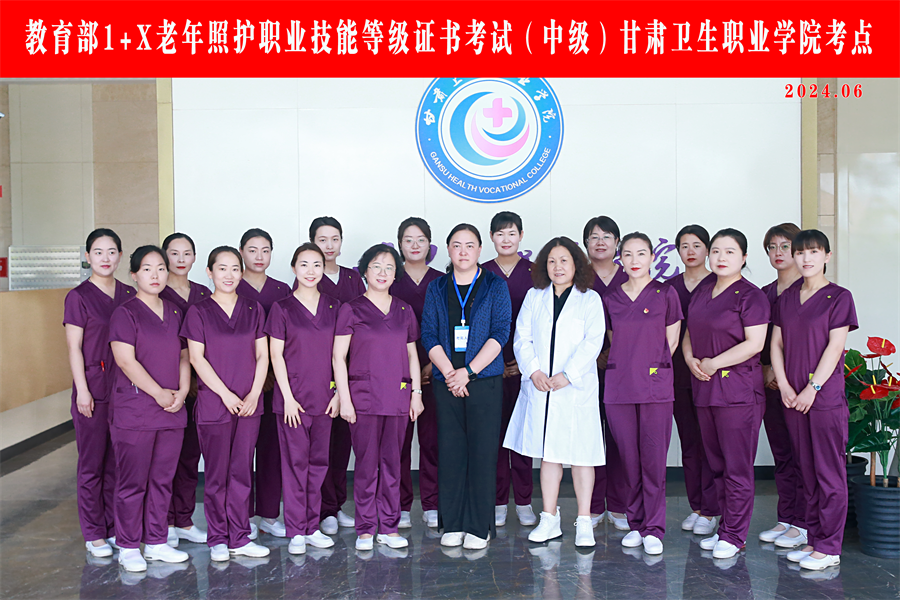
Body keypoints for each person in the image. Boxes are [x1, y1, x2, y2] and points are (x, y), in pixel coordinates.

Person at [504, 236, 605, 548]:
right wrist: (533, 370)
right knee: (549, 454)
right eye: (551, 261)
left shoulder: (589, 299)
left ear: (576, 264)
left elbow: (593, 341)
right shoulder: (535, 297)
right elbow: (522, 337)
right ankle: (549, 518)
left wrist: (568, 375)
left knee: (582, 455)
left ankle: (584, 520)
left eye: (564, 260)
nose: (557, 267)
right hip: (542, 386)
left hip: (575, 388)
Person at [421, 224, 511, 551]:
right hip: (446, 383)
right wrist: (450, 373)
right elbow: (429, 334)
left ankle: (478, 525)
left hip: (484, 381)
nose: (463, 251)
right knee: (451, 451)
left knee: (483, 453)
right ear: (447, 249)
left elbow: (500, 333)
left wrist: (469, 372)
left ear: (479, 250)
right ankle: (454, 522)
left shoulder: (495, 285)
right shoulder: (436, 287)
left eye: (469, 245)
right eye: (456, 245)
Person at [770, 229, 857, 571]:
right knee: (805, 469)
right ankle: (814, 539)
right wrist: (785, 385)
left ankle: (830, 546)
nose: (806, 258)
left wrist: (813, 387)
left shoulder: (839, 297)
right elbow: (776, 344)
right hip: (792, 397)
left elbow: (835, 347)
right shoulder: (787, 297)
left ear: (827, 256)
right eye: (801, 252)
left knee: (828, 473)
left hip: (823, 398)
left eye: (814, 252)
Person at [683, 228, 769, 560]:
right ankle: (724, 528)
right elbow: (689, 331)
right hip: (705, 387)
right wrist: (690, 359)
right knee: (716, 463)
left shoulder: (751, 296)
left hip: (738, 392)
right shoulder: (703, 291)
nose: (721, 257)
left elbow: (755, 344)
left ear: (744, 258)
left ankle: (735, 535)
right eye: (716, 251)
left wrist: (714, 363)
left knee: (737, 467)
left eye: (730, 252)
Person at [181, 246, 271, 561]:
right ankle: (218, 538)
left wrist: (254, 394)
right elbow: (196, 358)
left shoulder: (253, 309)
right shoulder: (199, 312)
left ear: (242, 272)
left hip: (249, 404)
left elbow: (263, 355)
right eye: (222, 268)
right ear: (209, 272)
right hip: (214, 404)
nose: (229, 275)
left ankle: (240, 537)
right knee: (217, 474)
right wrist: (226, 395)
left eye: (235, 268)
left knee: (242, 471)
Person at [332, 244, 423, 551]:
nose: (382, 273)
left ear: (396, 274)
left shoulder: (403, 310)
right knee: (367, 465)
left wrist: (416, 394)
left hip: (397, 396)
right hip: (364, 398)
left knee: (393, 464)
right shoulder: (352, 309)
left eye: (389, 268)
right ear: (364, 271)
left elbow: (412, 354)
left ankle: (389, 527)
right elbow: (338, 357)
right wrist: (344, 398)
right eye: (376, 267)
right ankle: (366, 529)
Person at [108, 245, 191, 572]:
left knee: (162, 480)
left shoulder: (175, 312)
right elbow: (125, 361)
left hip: (171, 410)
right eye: (147, 269)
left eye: (160, 268)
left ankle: (156, 542)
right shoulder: (125, 313)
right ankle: (129, 546)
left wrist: (182, 391)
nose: (155, 275)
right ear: (133, 275)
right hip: (137, 411)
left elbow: (184, 355)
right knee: (133, 482)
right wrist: (158, 393)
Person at [602, 233, 683, 555]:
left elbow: (672, 341)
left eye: (641, 254)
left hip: (654, 387)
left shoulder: (666, 294)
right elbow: (614, 339)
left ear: (652, 257)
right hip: (619, 387)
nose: (634, 260)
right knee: (628, 460)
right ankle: (636, 524)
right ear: (620, 258)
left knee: (653, 459)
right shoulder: (611, 298)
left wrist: (652, 368)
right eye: (628, 254)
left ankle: (654, 528)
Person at [266, 243, 341, 555]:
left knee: (319, 464)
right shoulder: (282, 308)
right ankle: (297, 529)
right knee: (295, 464)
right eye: (304, 264)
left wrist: (338, 393)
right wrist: (287, 397)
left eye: (317, 265)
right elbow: (276, 355)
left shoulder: (335, 307)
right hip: (293, 401)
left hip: (325, 398)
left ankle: (313, 526)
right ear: (294, 268)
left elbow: (340, 356)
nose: (311, 271)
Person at [64, 228, 134, 558]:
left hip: (125, 390)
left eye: (111, 252)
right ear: (88, 257)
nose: (105, 258)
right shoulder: (78, 297)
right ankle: (94, 533)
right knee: (92, 464)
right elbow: (74, 348)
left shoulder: (129, 294)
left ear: (120, 256)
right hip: (92, 388)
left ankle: (114, 528)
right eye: (98, 252)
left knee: (118, 462)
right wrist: (82, 390)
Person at [308, 216, 366, 535]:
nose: (329, 246)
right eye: (322, 239)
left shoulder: (353, 279)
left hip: (348, 373)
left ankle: (337, 505)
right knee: (322, 446)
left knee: (343, 445)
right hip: (317, 375)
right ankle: (323, 508)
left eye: (334, 239)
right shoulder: (309, 279)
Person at [482, 211, 537, 528]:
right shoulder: (481, 273)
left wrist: (525, 362)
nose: (506, 239)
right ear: (491, 237)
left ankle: (525, 501)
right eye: (500, 233)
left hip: (526, 369)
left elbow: (543, 322)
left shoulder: (536, 273)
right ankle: (498, 500)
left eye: (511, 233)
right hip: (488, 369)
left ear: (521, 236)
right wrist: (493, 361)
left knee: (523, 435)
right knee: (495, 436)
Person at [665, 225, 721, 536]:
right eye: (684, 245)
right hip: (677, 375)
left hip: (712, 375)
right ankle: (697, 506)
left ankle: (712, 509)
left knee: (710, 444)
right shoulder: (669, 288)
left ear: (708, 250)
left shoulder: (719, 283)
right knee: (689, 442)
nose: (690, 251)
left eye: (697, 245)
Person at [237, 228, 292, 540]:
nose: (259, 256)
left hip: (275, 383)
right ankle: (243, 515)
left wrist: (273, 376)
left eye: (265, 250)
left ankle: (270, 514)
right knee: (242, 453)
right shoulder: (231, 285)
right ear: (241, 252)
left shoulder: (282, 290)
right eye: (252, 249)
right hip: (240, 382)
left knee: (272, 450)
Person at [389, 217, 443, 529]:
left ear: (429, 244)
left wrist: (433, 365)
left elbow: (451, 327)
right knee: (398, 444)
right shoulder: (390, 279)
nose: (414, 245)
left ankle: (432, 503)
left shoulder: (442, 281)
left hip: (437, 372)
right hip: (396, 375)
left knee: (432, 441)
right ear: (399, 244)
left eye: (421, 239)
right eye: (408, 239)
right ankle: (401, 505)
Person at [757, 223, 807, 548]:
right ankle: (786, 518)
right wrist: (765, 371)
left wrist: (784, 375)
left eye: (785, 246)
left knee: (804, 456)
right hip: (770, 386)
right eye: (772, 247)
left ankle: (804, 523)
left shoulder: (809, 291)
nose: (778, 253)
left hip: (799, 386)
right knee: (783, 454)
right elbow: (759, 341)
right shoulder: (764, 293)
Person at [159, 232, 209, 548]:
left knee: (191, 455)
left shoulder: (204, 294)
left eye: (186, 253)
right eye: (174, 253)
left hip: (200, 387)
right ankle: (164, 522)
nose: (180, 259)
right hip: (167, 387)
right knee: (166, 458)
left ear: (194, 257)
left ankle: (185, 520)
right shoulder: (156, 292)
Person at [583, 216, 629, 530]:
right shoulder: (577, 278)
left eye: (607, 236)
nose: (601, 242)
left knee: (620, 438)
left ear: (617, 243)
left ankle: (620, 504)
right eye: (594, 237)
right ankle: (593, 504)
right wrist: (593, 356)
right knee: (591, 437)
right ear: (585, 243)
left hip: (624, 372)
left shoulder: (630, 276)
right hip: (584, 372)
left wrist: (613, 354)